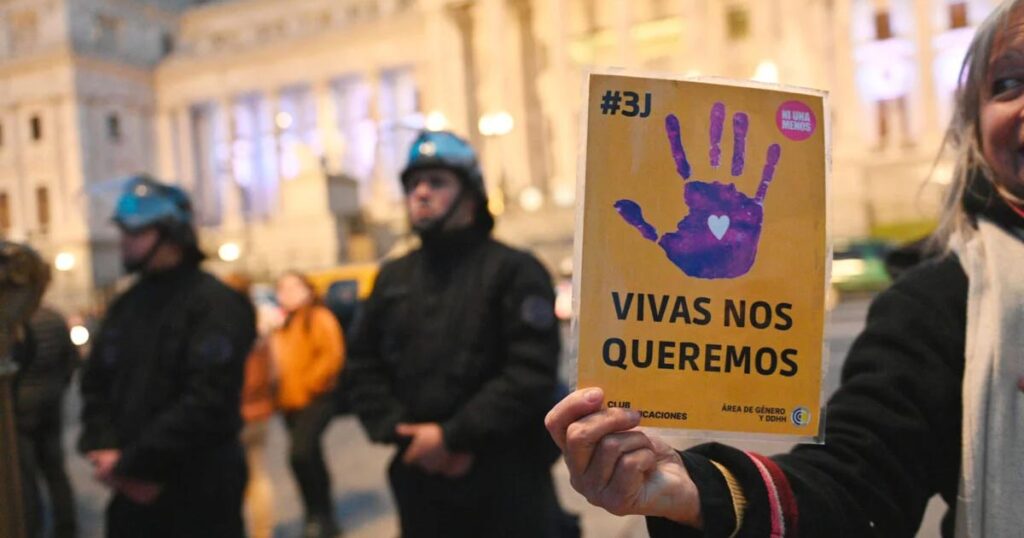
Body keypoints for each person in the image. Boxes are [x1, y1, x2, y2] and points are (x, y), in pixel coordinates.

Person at [545, 3, 1024, 537]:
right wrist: (699, 490)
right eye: (1008, 82)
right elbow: (858, 485)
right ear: (973, 129)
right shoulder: (941, 304)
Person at [347, 130, 564, 537]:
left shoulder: (514, 270)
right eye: (413, 184)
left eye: (437, 182)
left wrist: (452, 437)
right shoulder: (393, 277)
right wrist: (401, 432)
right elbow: (361, 365)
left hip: (508, 481)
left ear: (470, 193)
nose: (421, 193)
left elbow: (530, 373)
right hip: (420, 480)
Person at [77, 175, 256, 538]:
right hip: (131, 490)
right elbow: (95, 383)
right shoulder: (125, 304)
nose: (124, 241)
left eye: (135, 232)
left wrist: (138, 463)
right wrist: (108, 450)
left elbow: (207, 400)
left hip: (198, 486)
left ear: (170, 235)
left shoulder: (214, 303)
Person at [272, 271, 345, 538]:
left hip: (315, 399)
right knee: (309, 457)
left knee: (300, 453)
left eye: (293, 287)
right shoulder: (284, 323)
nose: (287, 293)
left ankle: (321, 514)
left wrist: (312, 383)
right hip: (290, 402)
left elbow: (332, 355)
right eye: (282, 288)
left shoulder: (318, 317)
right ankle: (317, 515)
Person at [13, 298, 79, 538]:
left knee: (25, 476)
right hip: (50, 401)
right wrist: (58, 387)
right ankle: (66, 526)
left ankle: (32, 527)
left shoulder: (14, 319)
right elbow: (71, 359)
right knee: (54, 469)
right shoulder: (53, 316)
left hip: (19, 408)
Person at [223, 273, 276, 538]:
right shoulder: (259, 323)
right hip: (258, 411)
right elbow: (272, 371)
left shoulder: (223, 325)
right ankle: (262, 533)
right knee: (257, 476)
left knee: (230, 482)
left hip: (233, 415)